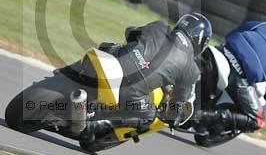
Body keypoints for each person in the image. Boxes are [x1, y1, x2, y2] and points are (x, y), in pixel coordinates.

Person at [83, 12, 212, 141]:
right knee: (148, 116)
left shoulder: (159, 26)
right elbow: (178, 102)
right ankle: (94, 125)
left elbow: (130, 32)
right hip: (131, 89)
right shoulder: (191, 68)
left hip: (112, 63)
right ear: (201, 41)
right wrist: (174, 119)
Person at [188, 17, 266, 146]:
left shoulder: (262, 25)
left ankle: (178, 107)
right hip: (240, 75)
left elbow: (235, 32)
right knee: (258, 120)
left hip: (221, 52)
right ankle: (201, 116)